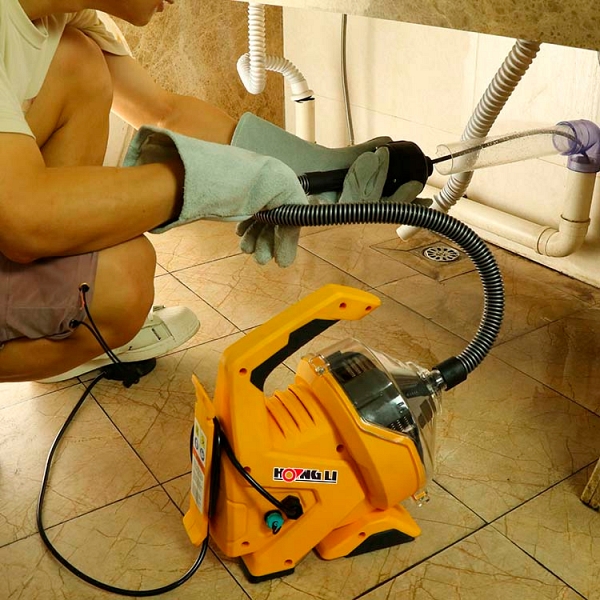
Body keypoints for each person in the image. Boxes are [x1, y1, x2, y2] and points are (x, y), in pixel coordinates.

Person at [0, 0, 422, 384]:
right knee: (121, 281)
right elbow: (25, 220)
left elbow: (163, 111)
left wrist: (317, 166)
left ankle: (49, 310)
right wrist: (217, 182)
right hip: (15, 227)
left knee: (77, 61)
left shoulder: (63, 14)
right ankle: (55, 325)